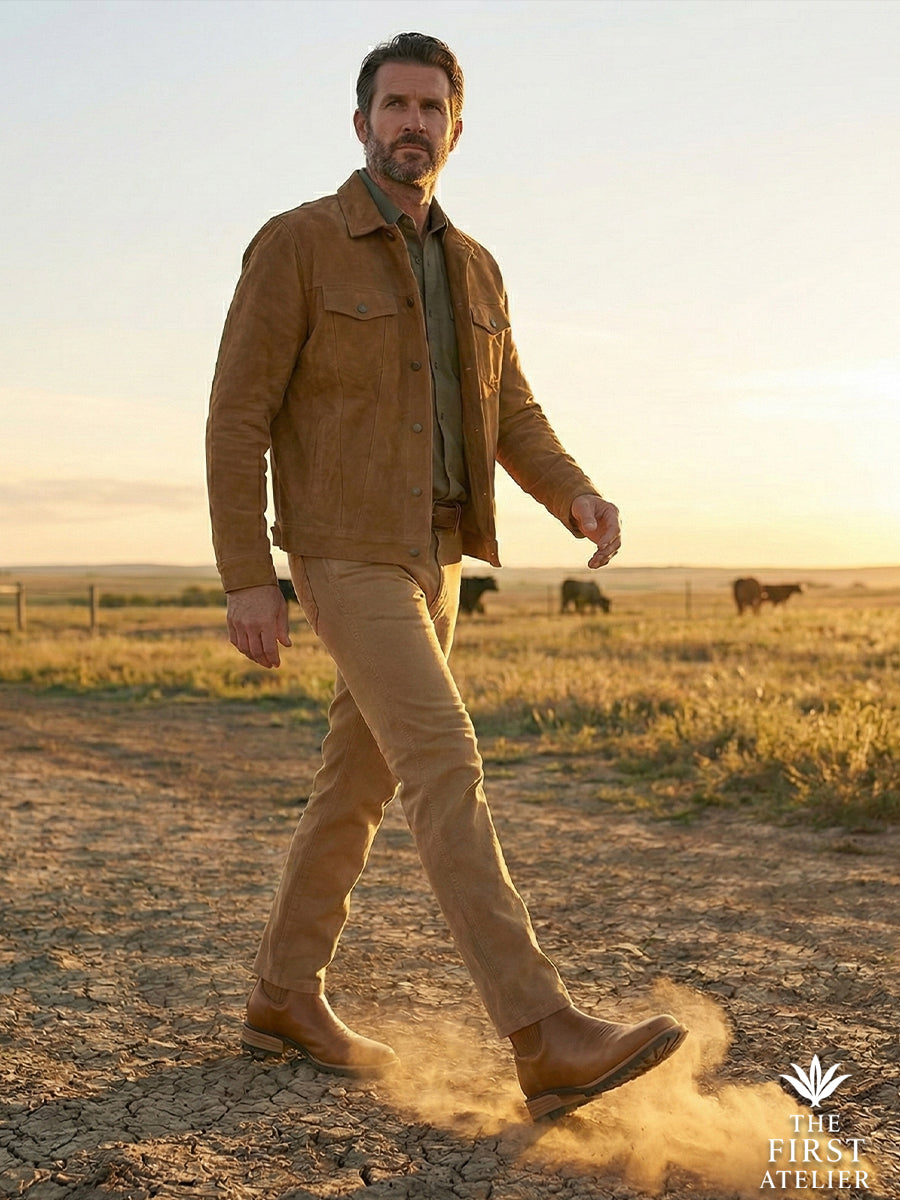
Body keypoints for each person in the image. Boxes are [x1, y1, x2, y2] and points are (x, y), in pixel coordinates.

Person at [206, 32, 686, 1121]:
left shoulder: (473, 266)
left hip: (441, 559)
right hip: (342, 548)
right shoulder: (296, 245)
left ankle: (284, 996)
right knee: (444, 759)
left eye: (430, 107)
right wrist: (249, 573)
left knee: (360, 783)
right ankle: (543, 1029)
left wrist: (572, 490)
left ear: (455, 127)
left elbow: (509, 407)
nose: (411, 123)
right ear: (361, 121)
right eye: (393, 105)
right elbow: (236, 415)